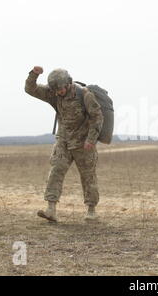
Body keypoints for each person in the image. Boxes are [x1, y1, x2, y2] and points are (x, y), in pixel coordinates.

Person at [25, 66, 104, 222]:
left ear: (68, 84)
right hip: (63, 142)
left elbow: (97, 117)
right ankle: (51, 209)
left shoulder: (85, 95)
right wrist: (34, 74)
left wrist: (91, 139)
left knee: (88, 177)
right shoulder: (53, 92)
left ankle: (91, 210)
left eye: (60, 89)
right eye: (55, 90)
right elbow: (30, 89)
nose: (58, 93)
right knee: (55, 172)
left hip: (83, 144)